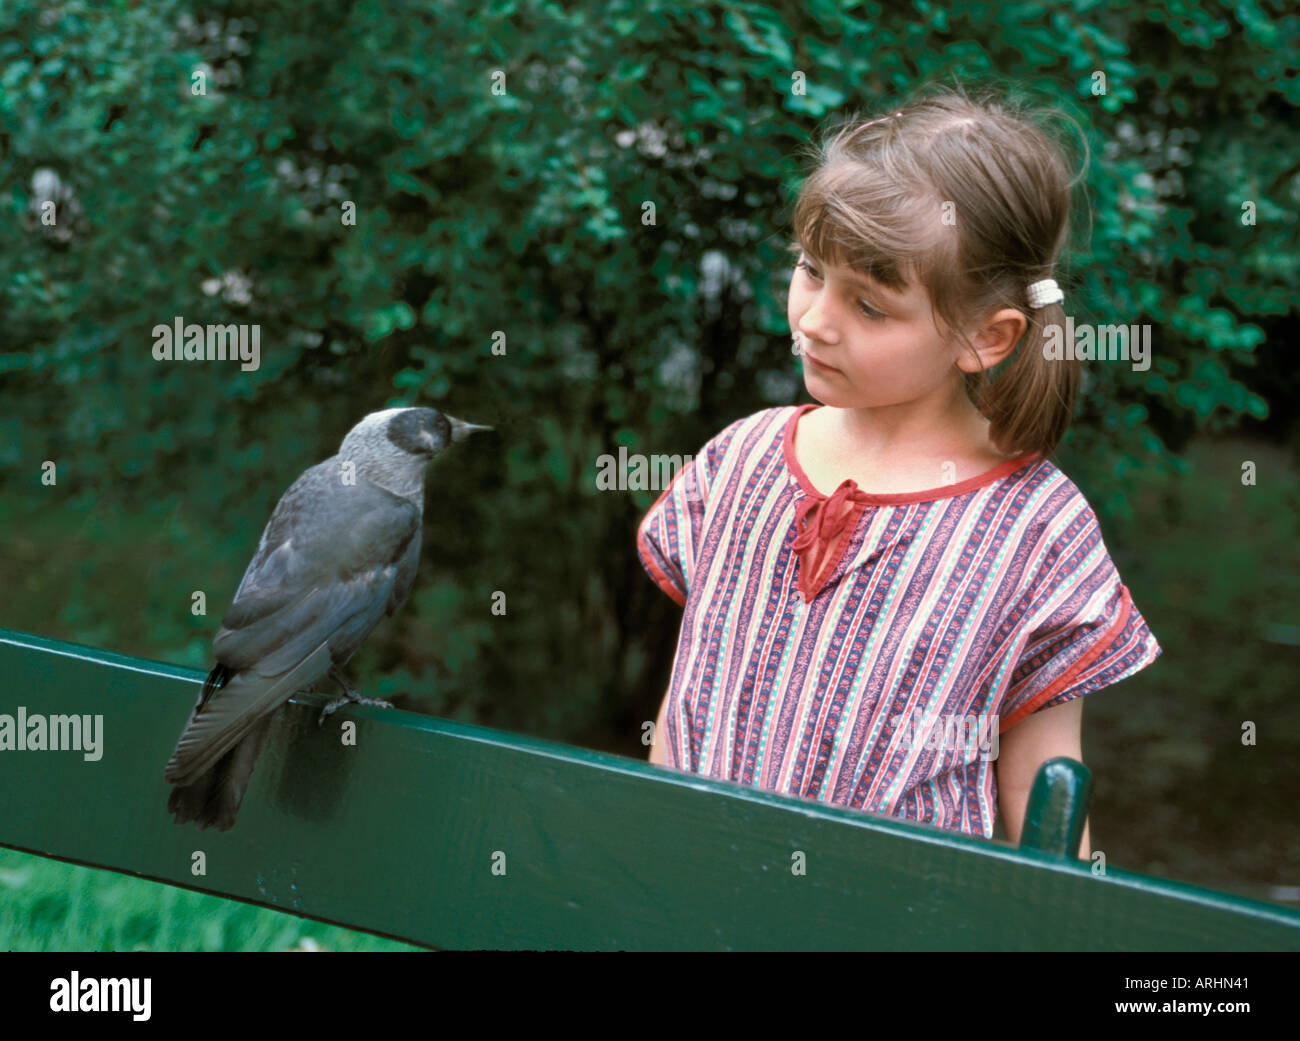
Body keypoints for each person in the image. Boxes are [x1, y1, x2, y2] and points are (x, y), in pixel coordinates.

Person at [636, 86, 1162, 859]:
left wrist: (1081, 924)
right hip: (690, 891)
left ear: (986, 336)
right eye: (811, 271)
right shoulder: (741, 459)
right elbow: (689, 703)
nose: (814, 319)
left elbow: (1041, 787)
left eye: (871, 306)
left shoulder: (1035, 527)